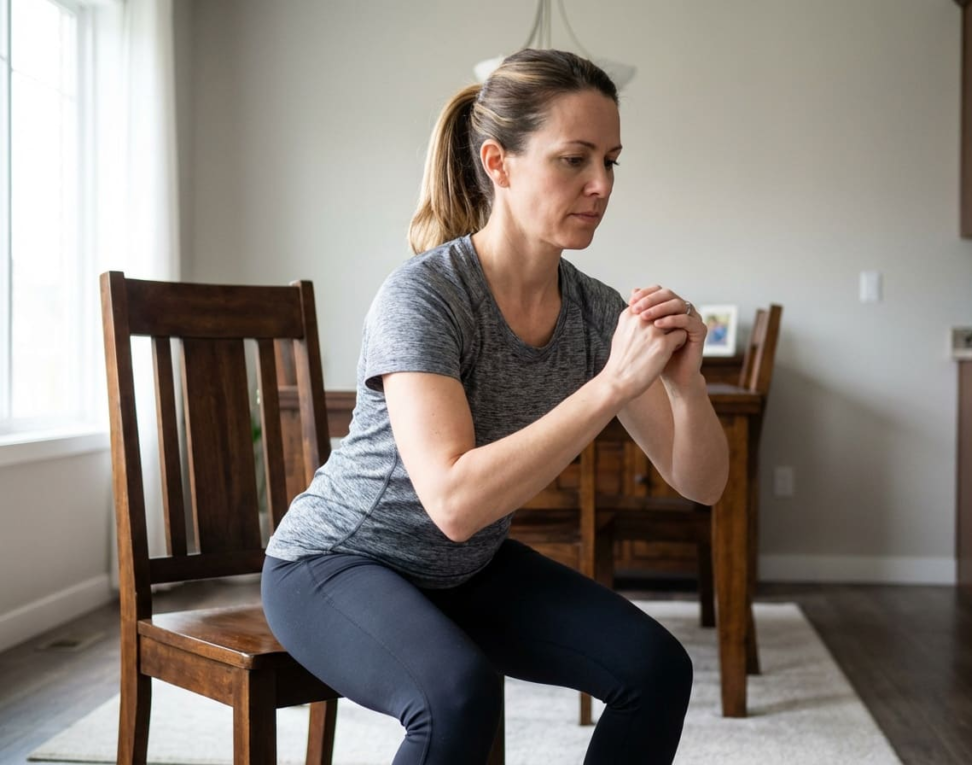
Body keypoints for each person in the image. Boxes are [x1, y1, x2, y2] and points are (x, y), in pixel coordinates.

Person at [262, 48, 730, 765]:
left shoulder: (594, 309)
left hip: (462, 568)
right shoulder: (424, 296)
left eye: (612, 160)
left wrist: (684, 383)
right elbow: (453, 500)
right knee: (457, 692)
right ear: (498, 162)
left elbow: (702, 482)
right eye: (573, 159)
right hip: (335, 564)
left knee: (657, 668)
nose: (601, 184)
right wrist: (609, 385)